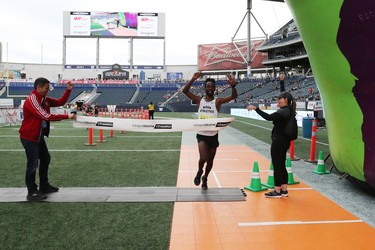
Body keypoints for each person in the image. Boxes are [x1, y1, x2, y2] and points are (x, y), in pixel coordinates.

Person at [19, 78, 76, 201]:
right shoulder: (33, 99)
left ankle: (44, 186)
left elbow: (60, 102)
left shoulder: (43, 98)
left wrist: (69, 89)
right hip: (29, 136)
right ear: (38, 88)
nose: (48, 91)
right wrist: (67, 116)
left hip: (37, 135)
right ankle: (32, 192)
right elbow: (46, 116)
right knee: (33, 164)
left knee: (45, 158)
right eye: (46, 88)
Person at [183, 72, 237, 190]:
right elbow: (185, 91)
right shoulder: (199, 100)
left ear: (215, 88)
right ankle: (199, 172)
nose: (210, 88)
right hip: (202, 135)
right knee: (203, 158)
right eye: (208, 86)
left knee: (210, 161)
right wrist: (193, 78)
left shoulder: (217, 102)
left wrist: (233, 86)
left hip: (213, 135)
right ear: (205, 87)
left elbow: (233, 97)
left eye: (212, 86)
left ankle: (205, 178)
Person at [247, 91, 297, 198]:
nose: (278, 100)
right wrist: (282, 82)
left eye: (280, 98)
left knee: (277, 166)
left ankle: (277, 190)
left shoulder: (284, 111)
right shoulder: (288, 110)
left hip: (279, 141)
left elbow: (268, 117)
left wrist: (256, 109)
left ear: (286, 100)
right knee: (282, 165)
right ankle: (284, 190)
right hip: (284, 141)